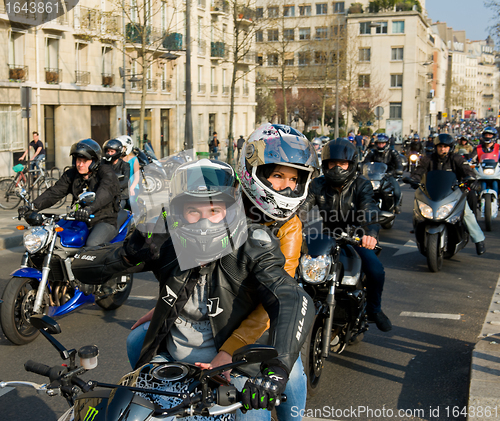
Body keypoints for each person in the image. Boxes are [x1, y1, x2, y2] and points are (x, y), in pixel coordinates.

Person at [71, 158, 314, 417]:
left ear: (231, 211)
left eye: (214, 211)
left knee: (257, 412)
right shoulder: (167, 242)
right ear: (178, 212)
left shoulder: (253, 243)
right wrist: (128, 254)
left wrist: (276, 371)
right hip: (171, 360)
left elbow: (292, 298)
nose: (204, 221)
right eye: (193, 211)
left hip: (233, 365)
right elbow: (81, 266)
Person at [127, 124, 320, 421]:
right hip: (209, 312)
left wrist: (231, 350)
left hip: (252, 321)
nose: (285, 186)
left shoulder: (289, 227)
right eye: (277, 175)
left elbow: (275, 302)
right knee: (137, 340)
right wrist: (167, 306)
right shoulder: (222, 195)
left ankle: (292, 418)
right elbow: (187, 261)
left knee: (290, 371)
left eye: (294, 178)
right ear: (253, 170)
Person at [299, 138, 393, 332]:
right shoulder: (317, 185)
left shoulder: (361, 184)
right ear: (325, 164)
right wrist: (289, 226)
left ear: (351, 164)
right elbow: (302, 208)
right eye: (332, 163)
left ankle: (374, 309)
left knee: (376, 270)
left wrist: (370, 234)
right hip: (327, 237)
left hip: (356, 237)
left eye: (342, 163)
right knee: (299, 270)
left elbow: (368, 209)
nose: (337, 168)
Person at [406, 133, 486, 255]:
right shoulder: (428, 159)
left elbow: (468, 171)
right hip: (432, 193)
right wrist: (414, 179)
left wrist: (472, 180)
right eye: (440, 146)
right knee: (418, 209)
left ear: (450, 147)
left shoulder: (457, 159)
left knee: (466, 213)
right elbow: (419, 171)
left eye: (445, 146)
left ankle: (479, 240)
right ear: (436, 147)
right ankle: (418, 228)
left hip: (453, 192)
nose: (442, 149)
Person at [32, 139, 121, 247]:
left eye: (84, 161)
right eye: (78, 160)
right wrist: (33, 206)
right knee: (54, 238)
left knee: (92, 244)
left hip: (104, 219)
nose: (80, 164)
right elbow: (54, 192)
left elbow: (105, 192)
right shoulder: (72, 174)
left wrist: (89, 209)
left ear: (94, 161)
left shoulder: (105, 172)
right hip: (80, 218)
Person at [363, 133, 404, 213]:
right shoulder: (372, 152)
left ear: (386, 144)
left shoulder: (393, 152)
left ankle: (396, 205)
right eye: (379, 143)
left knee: (396, 192)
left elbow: (399, 164)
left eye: (383, 143)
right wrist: (361, 168)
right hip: (375, 177)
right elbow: (365, 163)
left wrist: (397, 171)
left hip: (389, 176)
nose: (381, 145)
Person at [102, 138, 131, 209]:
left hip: (121, 195)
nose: (109, 153)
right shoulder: (103, 164)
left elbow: (126, 181)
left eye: (112, 151)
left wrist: (113, 187)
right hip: (105, 194)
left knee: (124, 206)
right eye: (108, 151)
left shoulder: (125, 165)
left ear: (118, 152)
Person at [118, 135, 141, 202]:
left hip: (132, 187)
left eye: (123, 147)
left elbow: (137, 177)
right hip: (120, 188)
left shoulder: (134, 159)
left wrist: (132, 188)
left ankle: (136, 213)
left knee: (131, 202)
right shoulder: (116, 159)